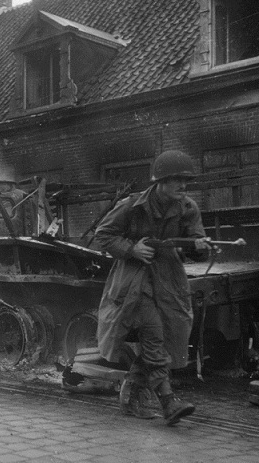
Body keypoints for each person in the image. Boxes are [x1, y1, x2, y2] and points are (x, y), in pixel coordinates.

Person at [94, 150, 213, 426]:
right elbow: (104, 234)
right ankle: (168, 400)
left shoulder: (187, 208)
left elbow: (195, 243)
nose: (182, 186)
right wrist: (131, 249)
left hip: (169, 279)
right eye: (175, 180)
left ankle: (130, 391)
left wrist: (198, 247)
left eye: (186, 180)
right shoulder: (132, 206)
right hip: (135, 279)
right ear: (159, 182)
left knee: (171, 334)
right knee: (155, 335)